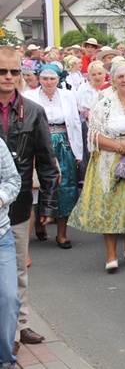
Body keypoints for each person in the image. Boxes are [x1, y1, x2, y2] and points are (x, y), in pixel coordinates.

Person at [69, 61, 125, 271]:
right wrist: (120, 146)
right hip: (109, 160)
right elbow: (94, 135)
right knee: (110, 205)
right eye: (120, 77)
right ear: (113, 80)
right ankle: (111, 255)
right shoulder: (104, 102)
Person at [0, 46, 60, 353]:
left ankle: (20, 325)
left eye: (14, 71)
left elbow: (46, 161)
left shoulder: (33, 110)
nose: (8, 77)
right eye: (2, 71)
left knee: (19, 268)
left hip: (20, 203)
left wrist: (48, 203)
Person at [24, 64, 83, 249]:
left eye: (52, 78)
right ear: (39, 79)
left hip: (64, 144)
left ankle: (62, 234)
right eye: (45, 78)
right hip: (39, 143)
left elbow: (74, 124)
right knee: (39, 184)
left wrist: (78, 152)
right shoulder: (29, 96)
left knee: (65, 187)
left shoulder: (68, 95)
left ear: (59, 79)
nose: (49, 82)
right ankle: (40, 226)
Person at [0, 136, 21, 369]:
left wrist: (0, 198)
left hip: (1, 234)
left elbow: (13, 180)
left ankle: (5, 360)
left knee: (8, 297)